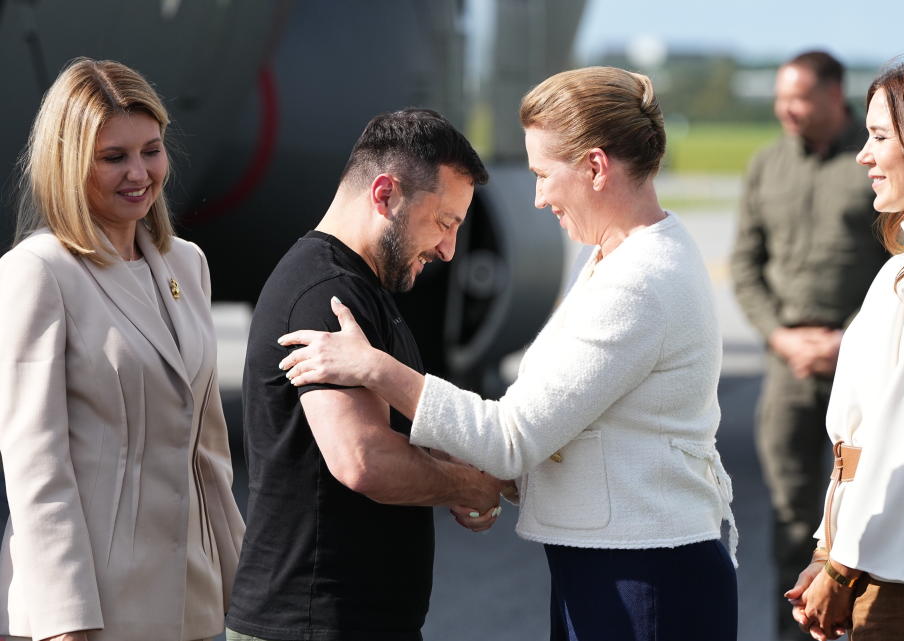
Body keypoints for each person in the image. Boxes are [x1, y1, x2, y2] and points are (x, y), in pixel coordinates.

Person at [279, 67, 738, 641]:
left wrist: (375, 368)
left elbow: (511, 437)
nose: (539, 197)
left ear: (596, 167)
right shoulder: (619, 256)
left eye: (544, 174)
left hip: (641, 573)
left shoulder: (637, 280)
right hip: (617, 559)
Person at [224, 108, 501, 641]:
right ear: (385, 194)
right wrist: (470, 484)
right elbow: (363, 459)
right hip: (312, 624)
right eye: (444, 223)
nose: (449, 249)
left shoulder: (365, 289)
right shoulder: (324, 295)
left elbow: (393, 429)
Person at [0, 58, 245, 641]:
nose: (139, 172)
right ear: (68, 163)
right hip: (91, 609)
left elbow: (207, 449)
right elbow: (37, 465)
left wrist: (243, 581)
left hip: (190, 596)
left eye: (151, 150)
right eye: (114, 157)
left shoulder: (188, 263)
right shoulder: (36, 273)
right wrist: (66, 620)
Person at [785, 57, 904, 641]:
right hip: (878, 540)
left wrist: (841, 568)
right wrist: (826, 547)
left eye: (880, 136)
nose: (863, 154)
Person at [729, 50, 889, 641]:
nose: (785, 110)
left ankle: (867, 623)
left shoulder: (873, 160)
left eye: (797, 98)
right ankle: (794, 631)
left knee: (874, 501)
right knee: (793, 517)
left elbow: (898, 262)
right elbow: (745, 265)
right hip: (790, 362)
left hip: (867, 356)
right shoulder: (767, 164)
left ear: (832, 95)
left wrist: (848, 338)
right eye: (779, 99)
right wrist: (778, 335)